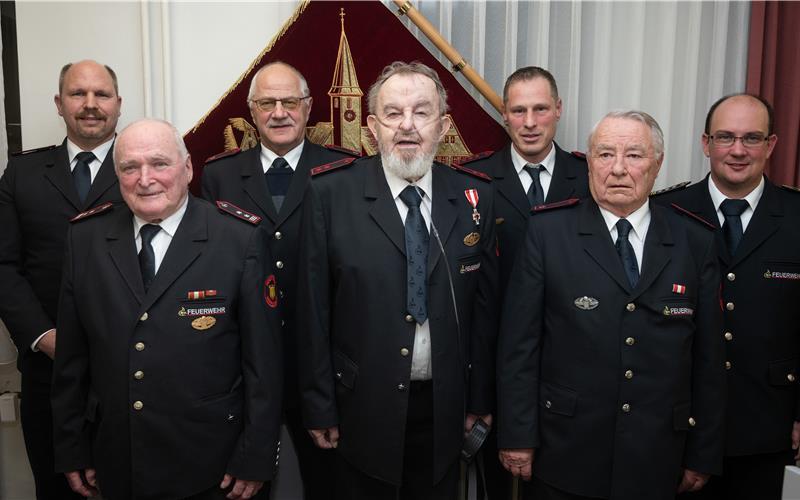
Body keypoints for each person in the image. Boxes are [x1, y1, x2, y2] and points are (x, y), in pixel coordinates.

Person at [497, 110, 725, 500]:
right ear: (589, 163)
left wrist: (703, 450)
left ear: (657, 164)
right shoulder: (548, 233)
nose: (618, 169)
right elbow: (519, 346)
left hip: (657, 455)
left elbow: (708, 359)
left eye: (634, 155)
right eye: (604, 155)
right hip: (565, 449)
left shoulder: (694, 241)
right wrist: (518, 435)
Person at [296, 61, 498, 500]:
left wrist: (479, 401)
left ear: (443, 126)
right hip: (360, 407)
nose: (407, 126)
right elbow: (311, 310)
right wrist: (318, 405)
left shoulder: (474, 197)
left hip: (445, 409)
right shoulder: (329, 195)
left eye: (422, 112)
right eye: (392, 113)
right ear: (371, 126)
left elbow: (484, 313)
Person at [51, 118, 283, 500]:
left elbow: (264, 364)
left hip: (212, 465)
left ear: (188, 168)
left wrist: (257, 455)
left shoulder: (239, 238)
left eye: (159, 163)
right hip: (116, 459)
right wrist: (71, 447)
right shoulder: (85, 238)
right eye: (130, 167)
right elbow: (71, 363)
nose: (145, 179)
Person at [201, 61, 357, 500]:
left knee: (331, 482)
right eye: (267, 103)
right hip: (243, 362)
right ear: (252, 112)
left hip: (323, 361)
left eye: (290, 101)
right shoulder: (220, 174)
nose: (279, 112)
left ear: (309, 108)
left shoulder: (344, 170)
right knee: (241, 483)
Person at [656, 94, 800, 500]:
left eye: (751, 138)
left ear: (771, 145)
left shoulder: (796, 218)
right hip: (680, 426)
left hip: (769, 430)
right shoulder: (666, 212)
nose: (738, 150)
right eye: (726, 137)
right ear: (706, 143)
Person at [458, 66, 589, 499]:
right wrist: (478, 396)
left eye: (540, 109)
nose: (529, 122)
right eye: (518, 111)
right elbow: (468, 297)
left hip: (573, 370)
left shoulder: (590, 178)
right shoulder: (471, 182)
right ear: (503, 115)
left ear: (558, 110)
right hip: (496, 367)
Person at [0, 59, 123, 500]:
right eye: (78, 94)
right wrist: (43, 335)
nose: (90, 105)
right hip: (48, 374)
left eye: (101, 94)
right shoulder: (23, 174)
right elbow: (4, 266)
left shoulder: (146, 170)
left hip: (130, 371)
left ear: (118, 104)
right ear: (59, 103)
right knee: (56, 490)